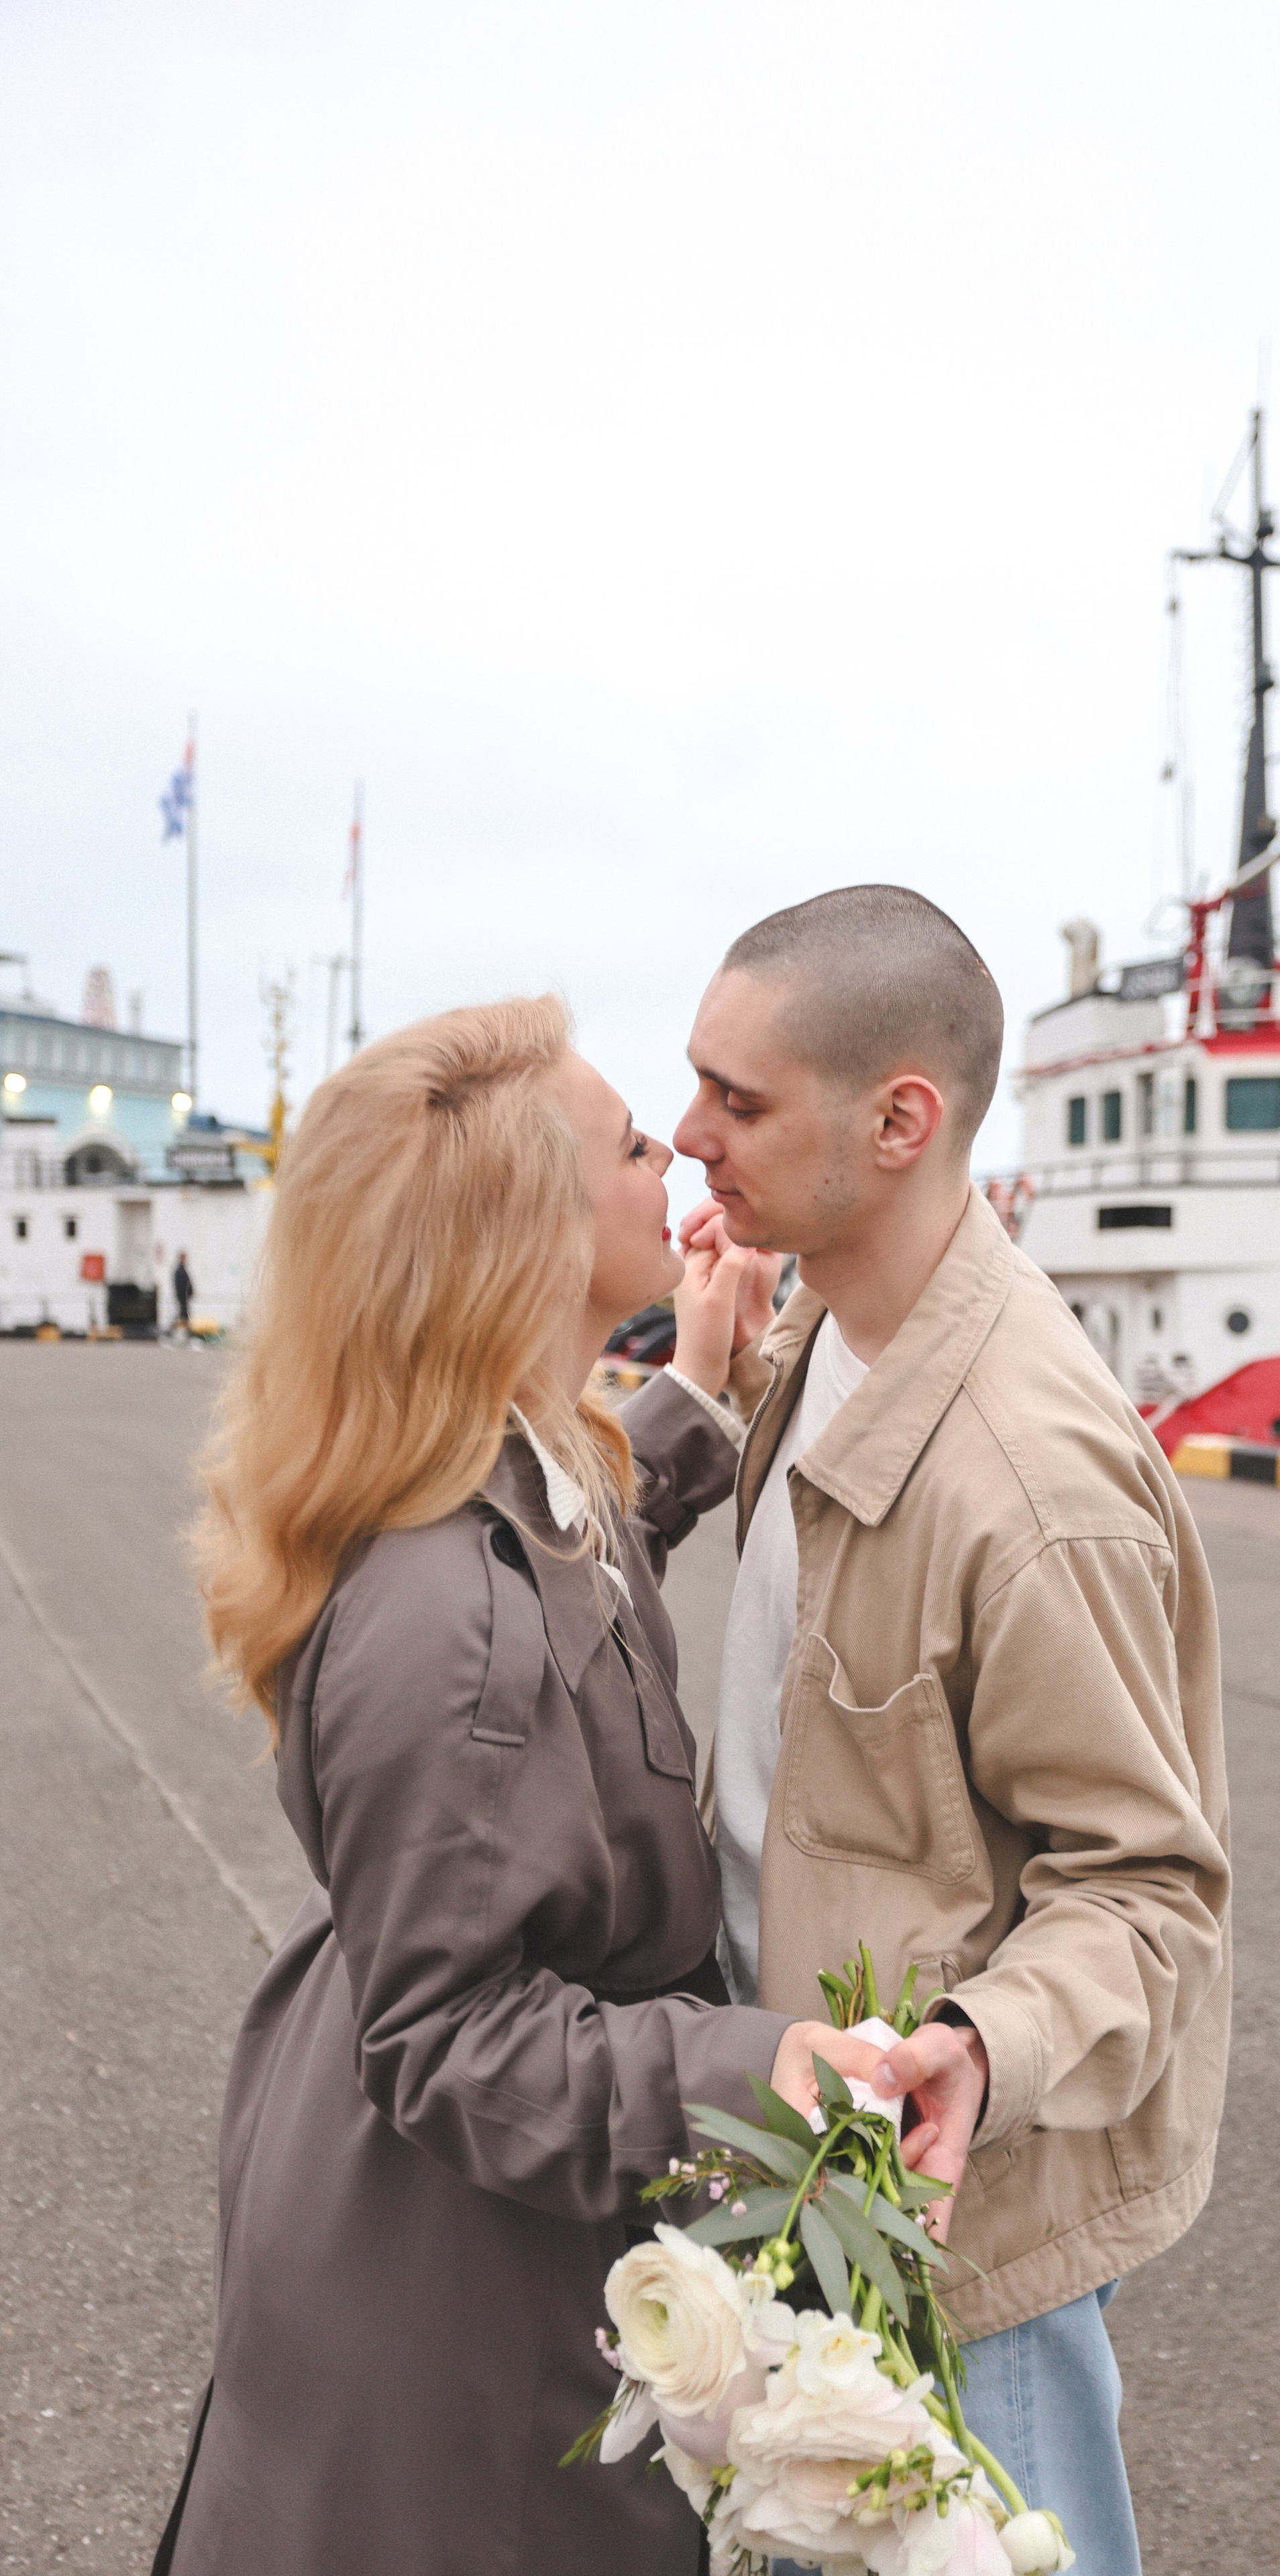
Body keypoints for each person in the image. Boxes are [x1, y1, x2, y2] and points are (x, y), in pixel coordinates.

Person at [156, 994, 983, 2576]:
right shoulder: (442, 1614)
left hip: (430, 2206)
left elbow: (570, 1579)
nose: (670, 1145)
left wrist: (688, 1395)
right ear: (521, 1231)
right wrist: (768, 2065)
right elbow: (454, 2035)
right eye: (625, 1140)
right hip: (464, 2264)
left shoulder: (486, 1473)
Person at [674, 887, 1232, 2576]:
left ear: (898, 1121)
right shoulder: (831, 1332)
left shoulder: (1028, 1479)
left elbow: (1149, 1892)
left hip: (955, 2220)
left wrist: (975, 2046)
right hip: (813, 2164)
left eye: (740, 1101)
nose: (690, 1133)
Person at [172, 1249, 193, 1331]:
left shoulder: (182, 1270)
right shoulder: (180, 1271)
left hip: (184, 1296)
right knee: (183, 1314)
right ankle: (184, 1331)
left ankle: (184, 1331)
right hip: (183, 1296)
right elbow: (181, 1285)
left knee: (183, 1313)